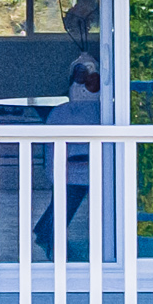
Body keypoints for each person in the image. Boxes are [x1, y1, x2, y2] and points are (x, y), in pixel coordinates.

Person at [34, 57, 101, 257]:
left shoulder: (100, 111)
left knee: (70, 191)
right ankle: (48, 231)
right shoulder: (64, 113)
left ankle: (45, 229)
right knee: (71, 190)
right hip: (72, 166)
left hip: (84, 164)